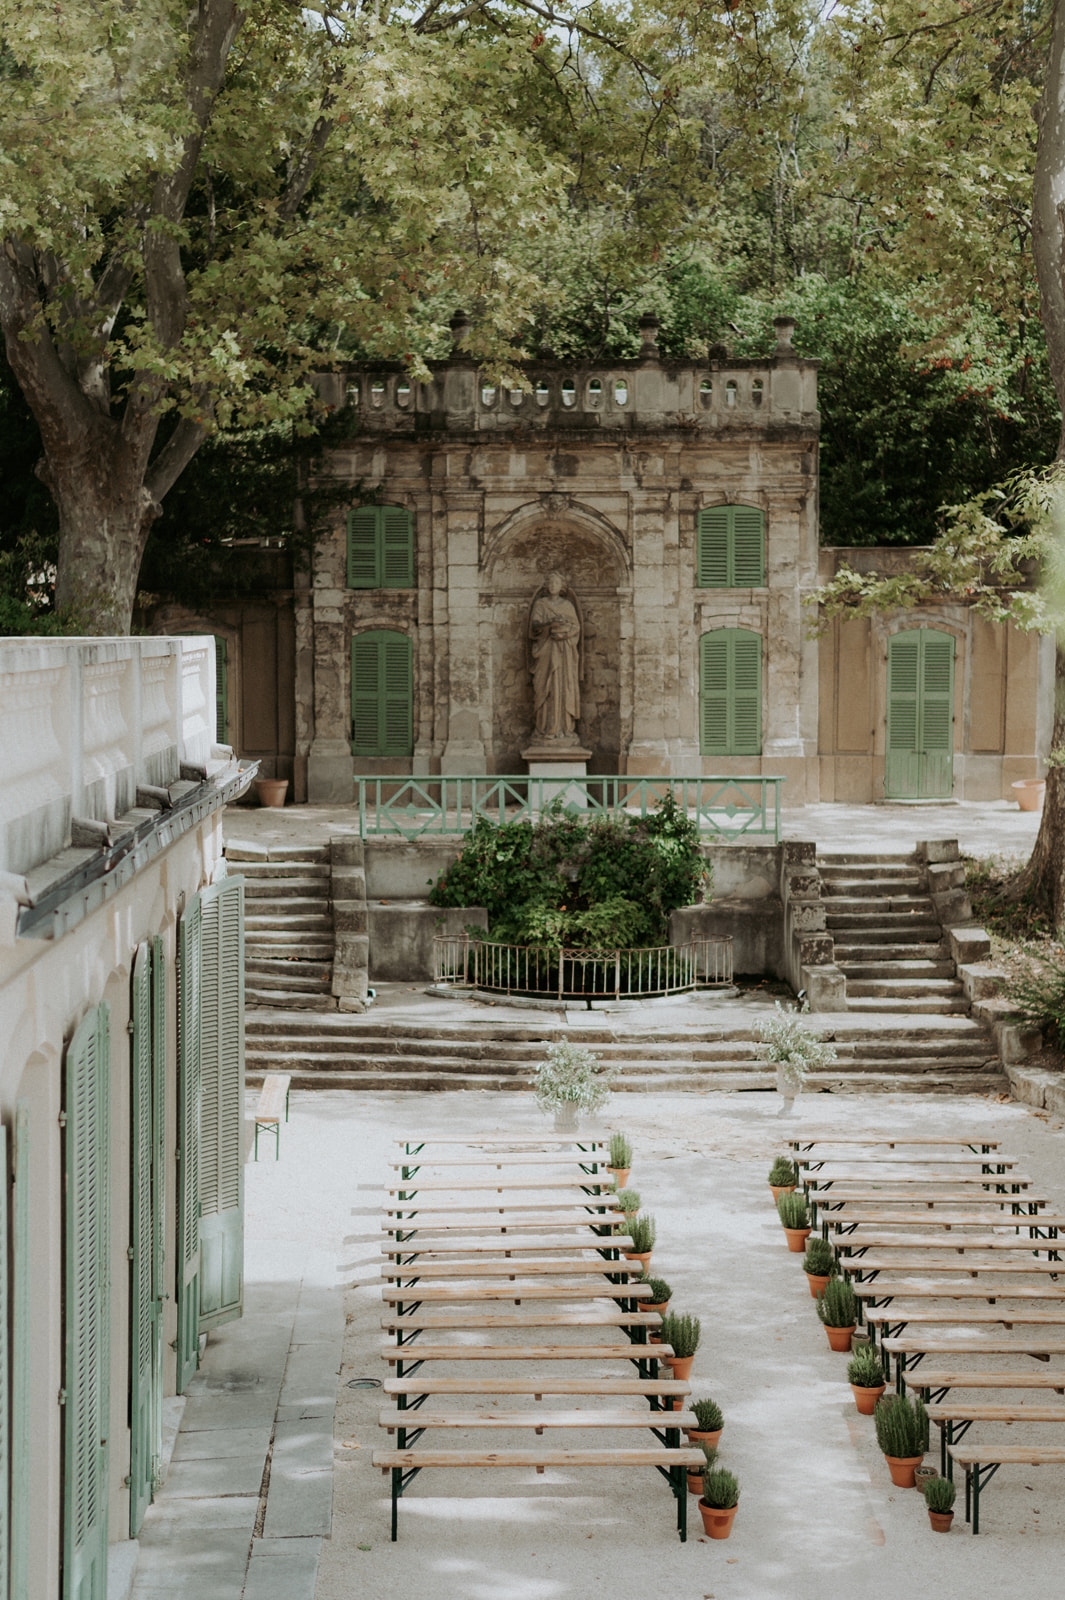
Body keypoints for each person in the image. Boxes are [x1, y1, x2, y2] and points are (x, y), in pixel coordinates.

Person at [529, 570, 581, 740]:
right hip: (546, 651)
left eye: (556, 583)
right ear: (546, 585)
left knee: (564, 686)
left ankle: (564, 728)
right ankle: (545, 727)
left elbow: (576, 628)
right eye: (550, 583)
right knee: (545, 688)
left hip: (564, 653)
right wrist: (550, 624)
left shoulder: (568, 606)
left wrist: (565, 634)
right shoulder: (541, 604)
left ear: (562, 586)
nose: (553, 586)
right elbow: (534, 627)